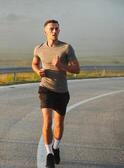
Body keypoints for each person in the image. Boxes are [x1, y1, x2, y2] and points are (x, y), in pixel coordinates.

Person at [32, 19, 80, 168]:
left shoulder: (66, 48)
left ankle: (56, 147)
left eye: (57, 29)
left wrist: (61, 66)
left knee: (58, 123)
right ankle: (49, 155)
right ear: (45, 31)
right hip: (45, 88)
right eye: (51, 29)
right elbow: (34, 63)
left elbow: (77, 69)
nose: (54, 31)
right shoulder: (39, 48)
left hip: (61, 91)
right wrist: (37, 71)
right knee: (47, 121)